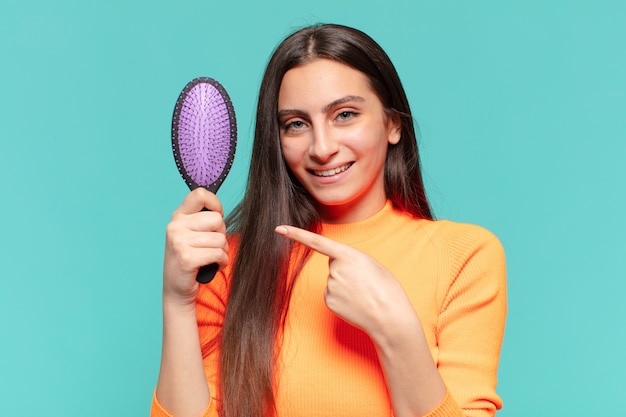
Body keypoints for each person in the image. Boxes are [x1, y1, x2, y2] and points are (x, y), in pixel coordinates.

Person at [151, 23, 507, 417]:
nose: (322, 148)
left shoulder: (465, 256)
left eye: (345, 115)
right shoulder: (227, 265)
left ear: (393, 124)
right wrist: (177, 300)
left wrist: (397, 329)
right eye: (296, 124)